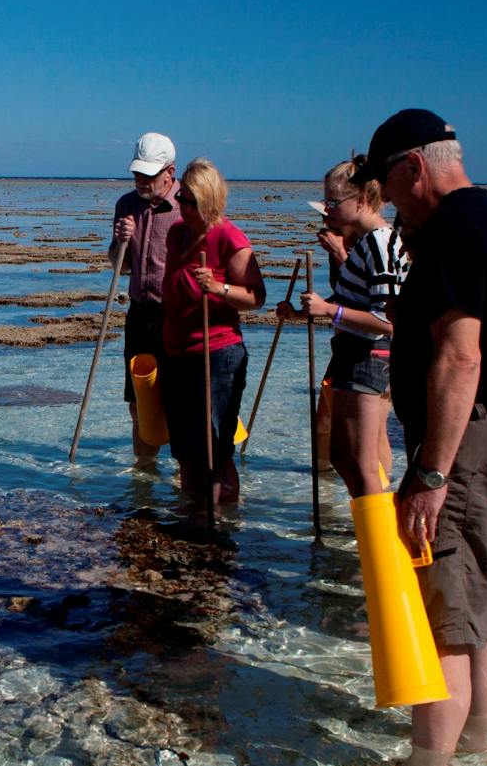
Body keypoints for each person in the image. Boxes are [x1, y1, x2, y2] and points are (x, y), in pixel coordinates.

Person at [360, 109, 487, 766]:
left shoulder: (451, 231)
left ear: (414, 166)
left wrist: (431, 471)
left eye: (388, 186)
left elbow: (458, 356)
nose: (388, 204)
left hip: (471, 444)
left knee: (444, 619)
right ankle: (478, 743)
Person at [276, 155, 408, 497]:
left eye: (333, 201)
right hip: (351, 353)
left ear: (362, 200)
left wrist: (328, 309)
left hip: (368, 357)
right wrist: (304, 313)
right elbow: (354, 302)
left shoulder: (379, 242)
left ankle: (381, 545)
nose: (327, 209)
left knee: (359, 461)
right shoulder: (366, 242)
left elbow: (387, 321)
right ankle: (364, 536)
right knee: (342, 456)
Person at [159, 159, 266, 511]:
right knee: (185, 448)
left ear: (209, 200)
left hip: (217, 355)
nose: (182, 207)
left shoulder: (229, 238)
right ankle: (191, 515)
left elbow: (256, 297)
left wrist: (219, 289)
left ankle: (222, 524)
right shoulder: (177, 233)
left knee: (215, 450)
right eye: (181, 198)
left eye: (190, 201)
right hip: (176, 354)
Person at [110, 132, 181, 462]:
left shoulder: (186, 206)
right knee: (138, 400)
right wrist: (120, 241)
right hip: (140, 314)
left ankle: (186, 475)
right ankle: (144, 473)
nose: (141, 180)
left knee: (179, 399)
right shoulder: (126, 205)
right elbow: (120, 267)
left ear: (170, 171)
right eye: (137, 173)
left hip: (178, 316)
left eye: (149, 175)